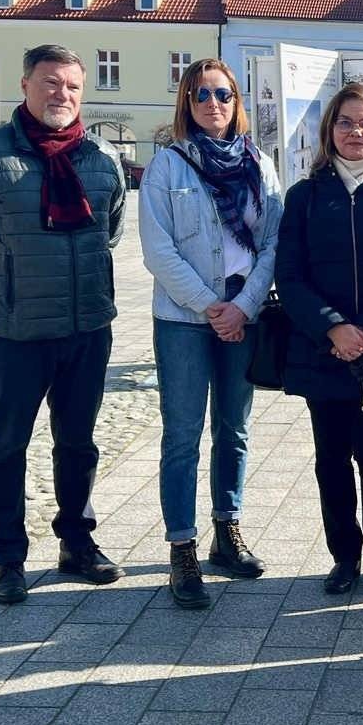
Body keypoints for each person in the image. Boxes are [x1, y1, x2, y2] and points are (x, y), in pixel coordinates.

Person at [0, 44, 126, 605]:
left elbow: (111, 230)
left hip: (86, 328)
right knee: (6, 445)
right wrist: (0, 299)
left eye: (72, 87)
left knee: (78, 443)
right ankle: (7, 556)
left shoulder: (101, 157)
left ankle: (76, 541)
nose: (62, 96)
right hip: (14, 334)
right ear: (24, 85)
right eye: (50, 83)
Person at [139, 58, 282, 609]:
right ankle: (182, 546)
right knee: (182, 435)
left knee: (235, 428)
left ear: (236, 101)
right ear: (187, 103)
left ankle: (227, 530)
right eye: (202, 95)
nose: (214, 104)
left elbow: (272, 241)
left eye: (223, 94)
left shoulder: (259, 166)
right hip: (183, 321)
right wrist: (211, 306)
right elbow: (159, 251)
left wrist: (243, 306)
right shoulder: (167, 167)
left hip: (242, 317)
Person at [276, 83, 363, 596]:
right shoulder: (306, 195)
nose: (355, 132)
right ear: (328, 130)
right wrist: (333, 326)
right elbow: (288, 275)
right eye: (345, 123)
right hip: (323, 349)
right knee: (330, 458)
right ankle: (344, 556)